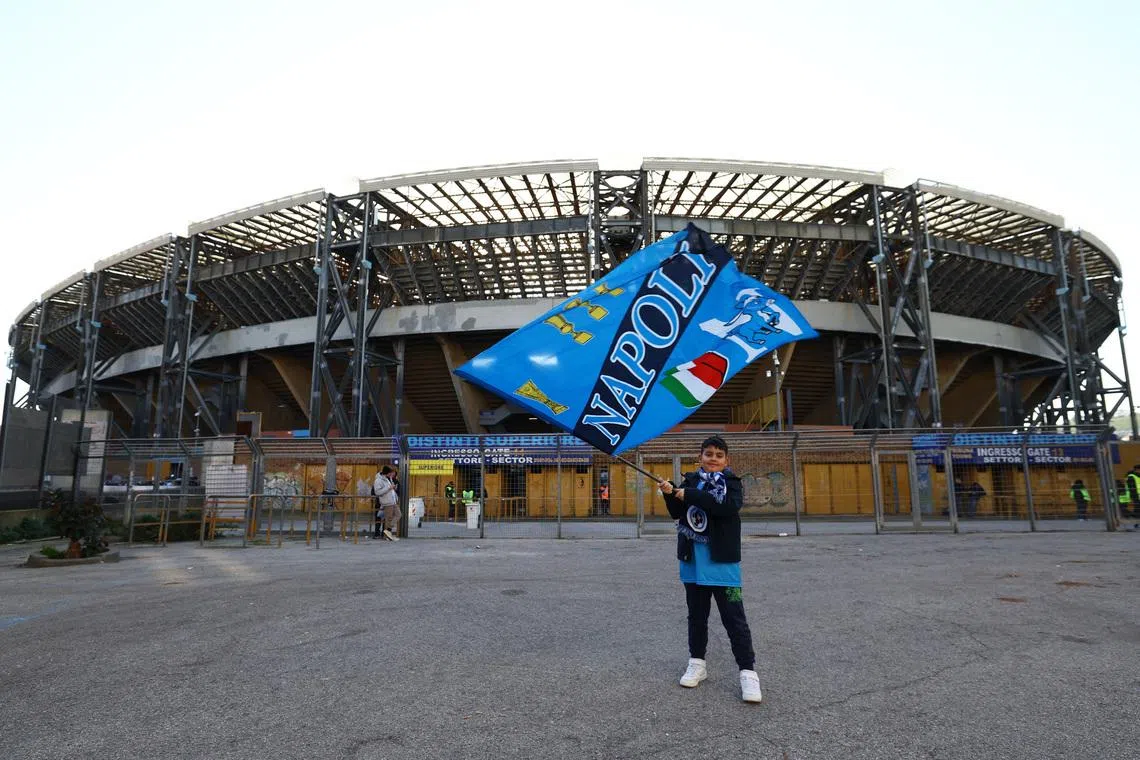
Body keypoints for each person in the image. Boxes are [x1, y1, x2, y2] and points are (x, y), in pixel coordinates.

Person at [658, 435, 761, 704]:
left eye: (718, 454)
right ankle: (697, 663)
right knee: (697, 616)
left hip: (723, 563)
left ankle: (748, 673)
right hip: (692, 561)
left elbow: (726, 508)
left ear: (726, 460)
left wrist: (690, 494)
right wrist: (670, 493)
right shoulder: (690, 481)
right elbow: (677, 513)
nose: (713, 458)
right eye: (708, 454)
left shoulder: (732, 484)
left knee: (735, 619)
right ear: (700, 457)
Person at [373, 466, 400, 541]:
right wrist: (389, 488)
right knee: (389, 519)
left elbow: (390, 489)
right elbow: (377, 492)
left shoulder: (389, 479)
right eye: (391, 473)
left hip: (393, 501)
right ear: (387, 473)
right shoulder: (378, 480)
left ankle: (388, 530)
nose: (392, 474)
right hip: (387, 502)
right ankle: (387, 535)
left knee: (398, 514)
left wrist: (393, 488)